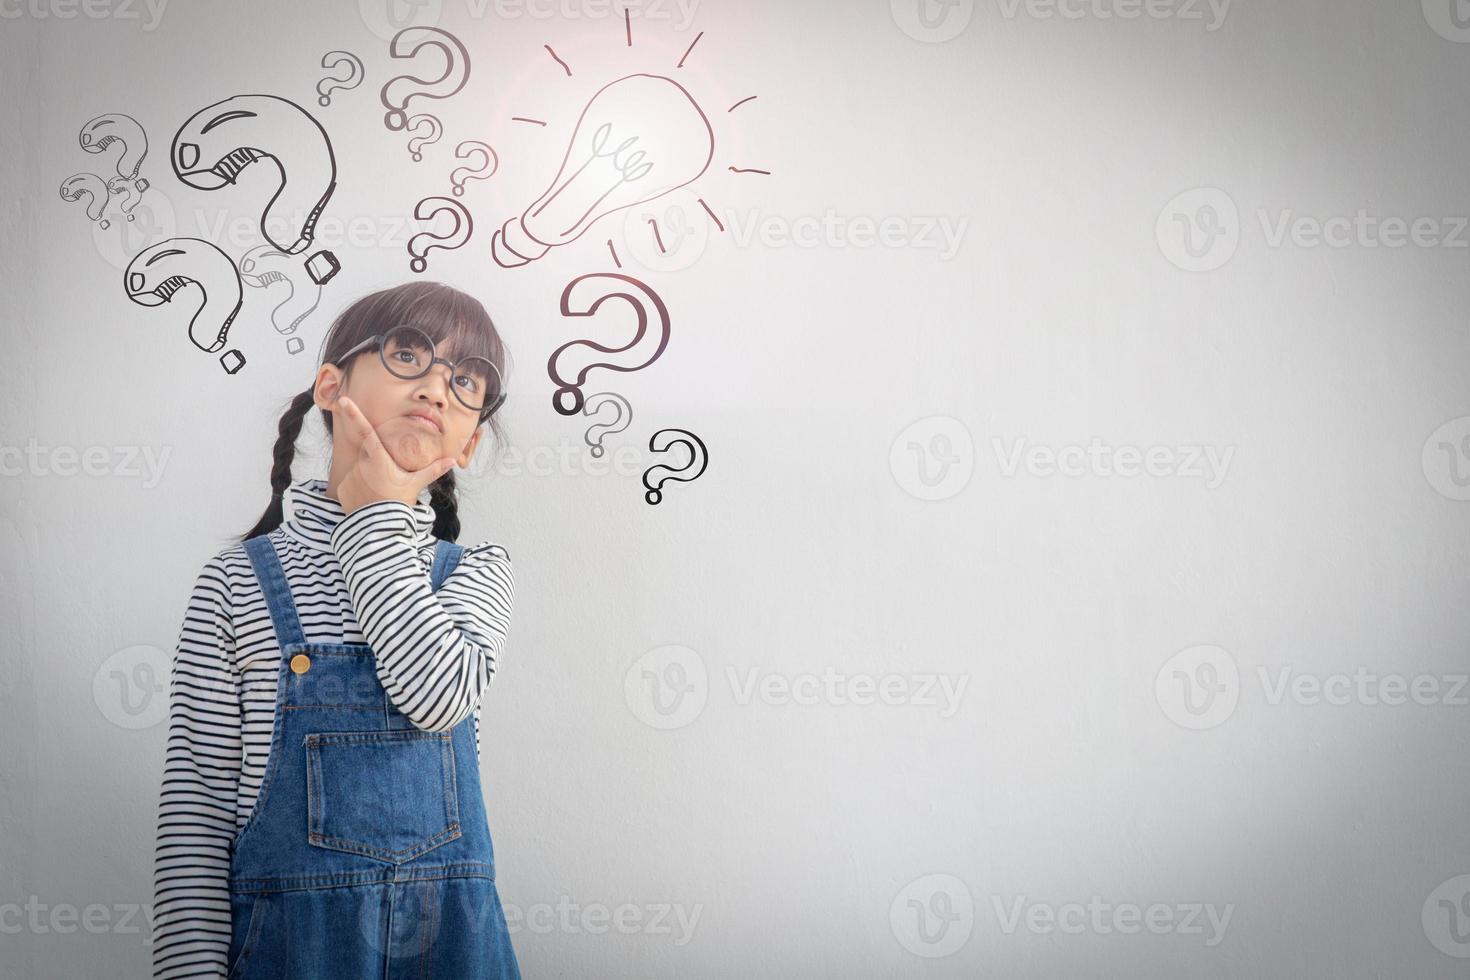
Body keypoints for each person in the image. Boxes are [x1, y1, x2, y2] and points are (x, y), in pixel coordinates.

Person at [151, 280, 522, 979]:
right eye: (408, 353)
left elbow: (437, 696)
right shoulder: (236, 582)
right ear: (330, 386)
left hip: (453, 955)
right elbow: (194, 818)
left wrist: (376, 515)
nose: (437, 388)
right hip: (293, 954)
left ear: (469, 440)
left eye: (466, 379)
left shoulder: (477, 573)